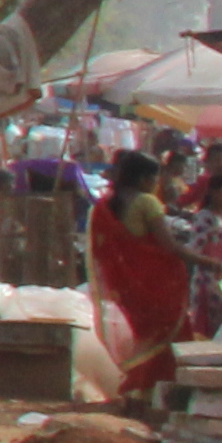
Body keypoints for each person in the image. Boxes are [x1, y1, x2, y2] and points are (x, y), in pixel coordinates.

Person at [92, 153, 200, 415]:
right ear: (144, 178)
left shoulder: (108, 204)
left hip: (130, 286)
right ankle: (148, 400)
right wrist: (210, 262)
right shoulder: (148, 202)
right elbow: (169, 246)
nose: (157, 183)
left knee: (144, 338)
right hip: (156, 285)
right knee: (161, 339)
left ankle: (135, 395)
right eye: (155, 177)